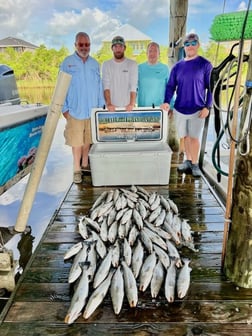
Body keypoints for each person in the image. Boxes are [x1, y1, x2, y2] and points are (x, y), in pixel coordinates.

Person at [161, 33, 212, 177]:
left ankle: (195, 163)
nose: (190, 46)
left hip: (197, 109)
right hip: (180, 108)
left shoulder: (205, 64)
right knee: (185, 137)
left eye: (193, 43)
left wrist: (207, 106)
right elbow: (170, 86)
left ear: (198, 45)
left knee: (194, 137)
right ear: (184, 47)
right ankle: (188, 160)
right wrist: (166, 101)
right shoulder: (177, 66)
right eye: (187, 44)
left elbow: (211, 88)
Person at [60, 32, 104, 184]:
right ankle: (76, 169)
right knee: (76, 141)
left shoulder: (95, 64)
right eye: (81, 44)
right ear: (75, 45)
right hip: (75, 110)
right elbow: (61, 87)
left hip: (92, 110)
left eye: (87, 44)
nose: (84, 47)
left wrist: (100, 108)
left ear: (90, 45)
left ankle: (85, 164)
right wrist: (64, 109)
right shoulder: (67, 62)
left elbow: (99, 87)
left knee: (87, 139)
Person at [102, 36, 138, 111]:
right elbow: (106, 86)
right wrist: (109, 104)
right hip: (112, 108)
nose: (118, 49)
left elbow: (133, 86)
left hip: (128, 107)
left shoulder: (132, 64)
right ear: (112, 48)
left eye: (120, 46)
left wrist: (131, 104)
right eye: (115, 46)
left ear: (124, 48)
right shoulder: (106, 64)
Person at [138, 42, 170, 107]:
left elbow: (169, 89)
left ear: (159, 54)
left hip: (160, 108)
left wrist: (171, 105)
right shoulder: (139, 68)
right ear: (146, 53)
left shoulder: (165, 68)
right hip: (142, 107)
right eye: (150, 51)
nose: (152, 53)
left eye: (155, 51)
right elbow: (132, 88)